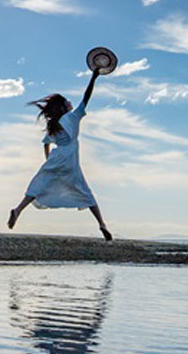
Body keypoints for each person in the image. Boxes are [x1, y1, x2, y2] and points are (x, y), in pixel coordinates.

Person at [7, 66, 112, 240]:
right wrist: (93, 78)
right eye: (68, 102)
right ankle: (102, 224)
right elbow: (87, 97)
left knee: (38, 185)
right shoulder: (72, 117)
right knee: (85, 192)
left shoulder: (54, 124)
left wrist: (49, 161)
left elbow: (46, 144)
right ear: (64, 107)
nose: (71, 103)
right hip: (70, 160)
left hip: (56, 159)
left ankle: (18, 210)